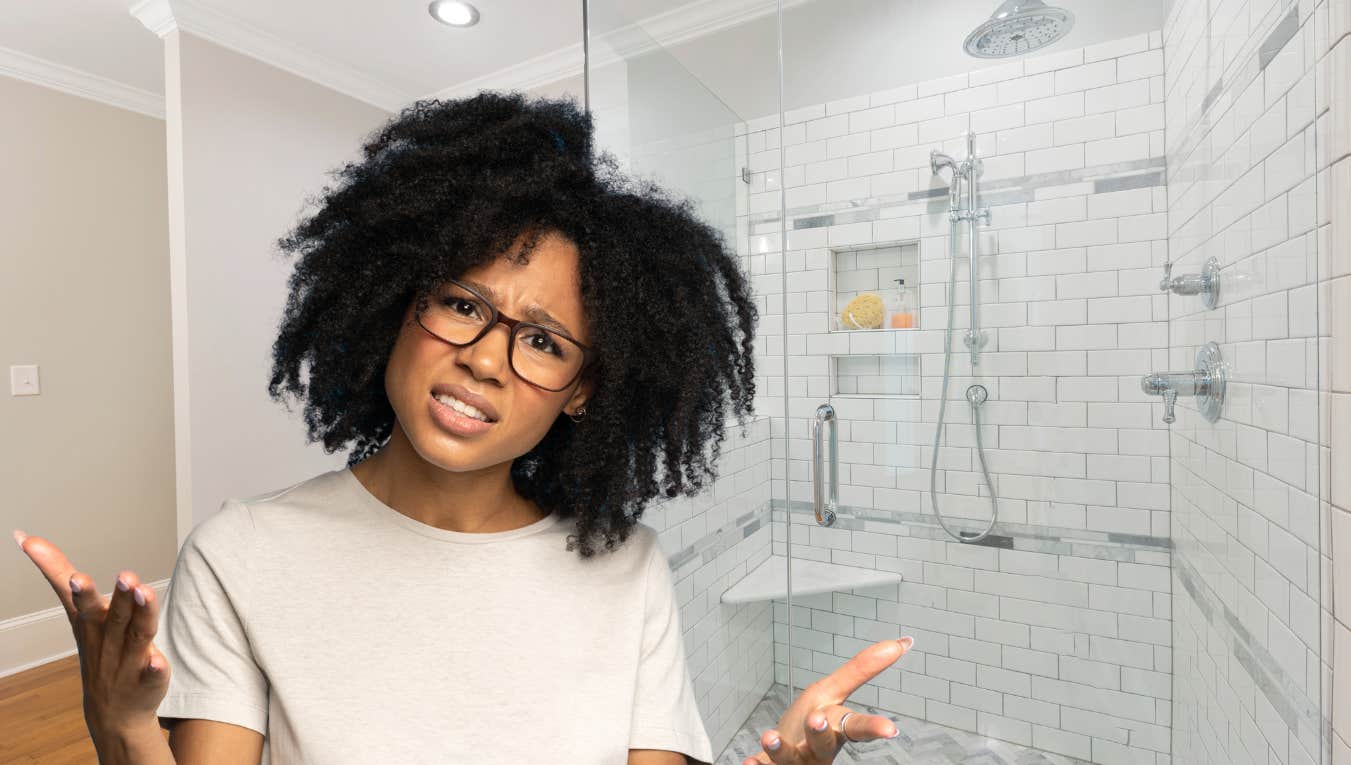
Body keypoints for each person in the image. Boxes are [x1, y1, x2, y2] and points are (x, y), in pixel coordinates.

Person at [15, 91, 912, 765]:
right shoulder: (241, 554)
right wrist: (123, 730)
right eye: (461, 303)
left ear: (583, 391)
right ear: (397, 301)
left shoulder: (626, 567)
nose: (486, 357)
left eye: (543, 340)